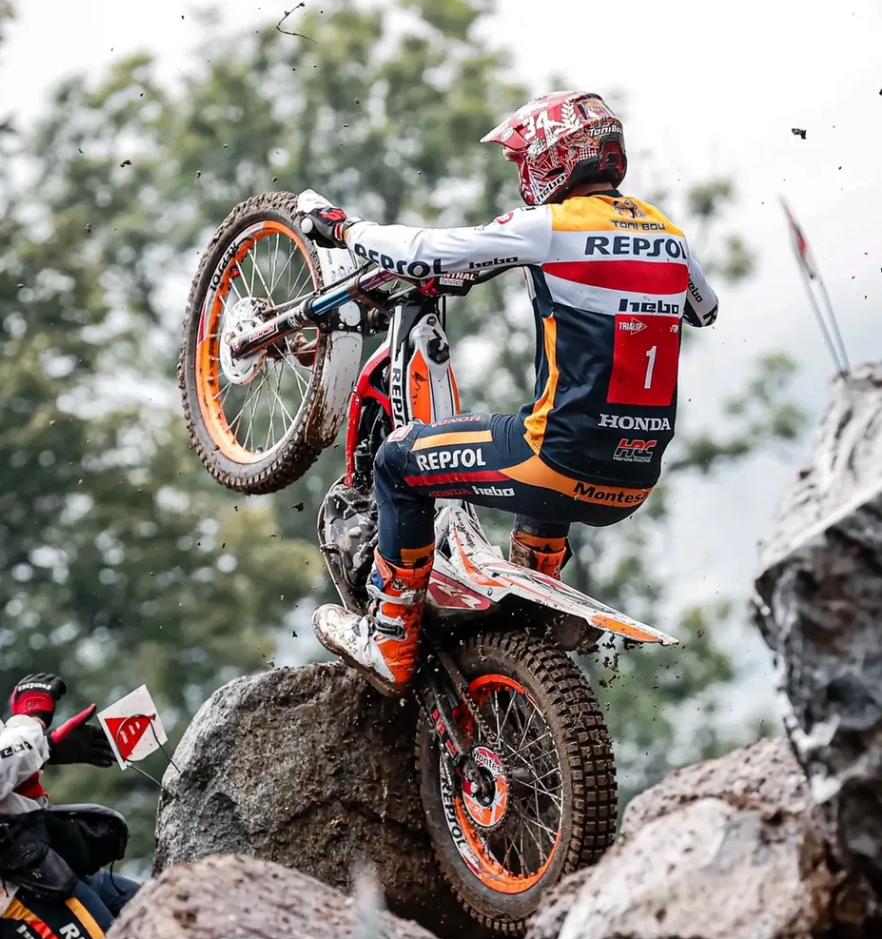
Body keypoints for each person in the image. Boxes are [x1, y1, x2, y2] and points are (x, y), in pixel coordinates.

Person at [299, 90, 719, 694]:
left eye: (525, 158)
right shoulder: (669, 235)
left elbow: (423, 253)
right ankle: (532, 600)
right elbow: (704, 309)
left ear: (556, 156)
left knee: (396, 462)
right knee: (554, 437)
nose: (523, 172)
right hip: (632, 480)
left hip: (553, 461)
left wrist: (343, 228)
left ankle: (389, 637)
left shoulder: (552, 227)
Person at [0, 673, 140, 939]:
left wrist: (47, 748)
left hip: (39, 862)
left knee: (165, 918)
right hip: (19, 888)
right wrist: (31, 722)